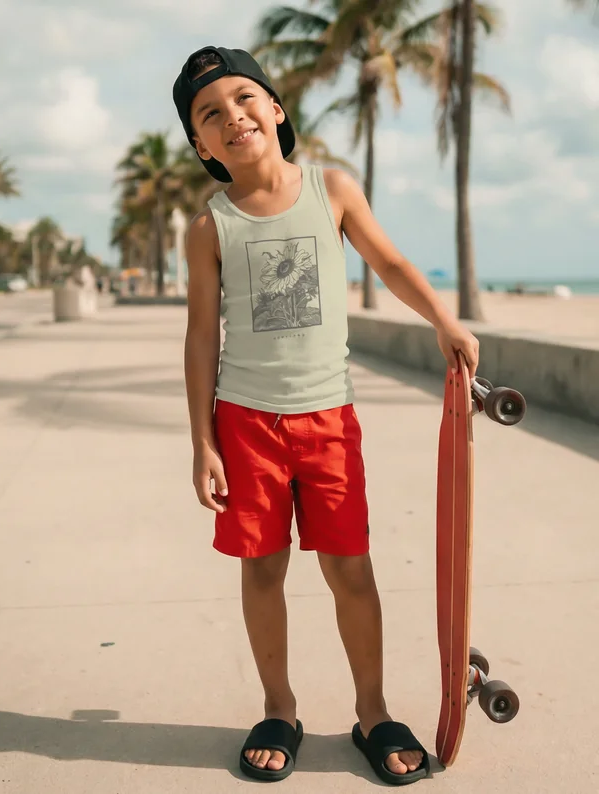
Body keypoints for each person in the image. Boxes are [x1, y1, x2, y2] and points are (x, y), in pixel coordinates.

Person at [173, 46, 479, 786]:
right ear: (202, 146)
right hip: (246, 423)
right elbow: (201, 334)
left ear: (276, 109)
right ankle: (279, 708)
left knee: (350, 569)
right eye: (210, 114)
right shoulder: (210, 227)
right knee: (261, 569)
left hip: (328, 421)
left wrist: (444, 319)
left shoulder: (330, 189)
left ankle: (373, 711)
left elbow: (391, 264)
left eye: (244, 97)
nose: (232, 116)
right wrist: (202, 441)